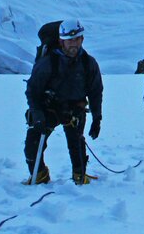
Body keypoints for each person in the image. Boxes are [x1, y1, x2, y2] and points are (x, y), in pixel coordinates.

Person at [23, 19, 104, 185]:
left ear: (82, 39)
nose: (73, 44)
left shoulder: (89, 63)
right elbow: (33, 89)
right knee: (33, 142)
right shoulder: (48, 63)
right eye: (69, 40)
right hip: (48, 108)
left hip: (75, 109)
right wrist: (37, 113)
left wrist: (97, 118)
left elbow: (95, 92)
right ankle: (40, 174)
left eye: (76, 39)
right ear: (61, 41)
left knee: (77, 143)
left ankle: (79, 175)